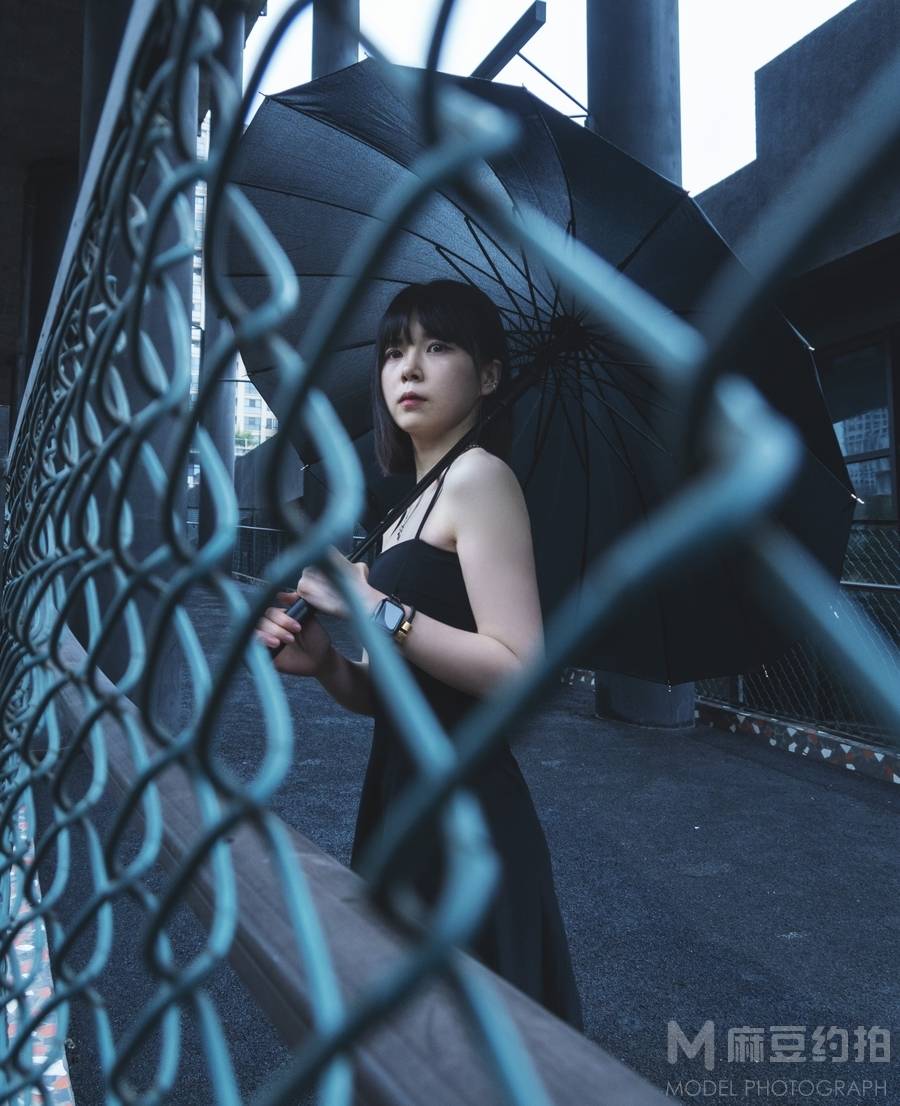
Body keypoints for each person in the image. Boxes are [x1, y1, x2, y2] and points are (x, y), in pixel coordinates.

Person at [254, 279, 583, 1031]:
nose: (409, 368)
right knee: (414, 1043)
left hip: (468, 808)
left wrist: (373, 606)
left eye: (438, 347)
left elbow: (517, 666)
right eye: (394, 350)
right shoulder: (406, 509)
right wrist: (328, 664)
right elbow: (396, 691)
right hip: (401, 796)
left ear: (489, 376)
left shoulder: (480, 478)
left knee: (467, 1041)